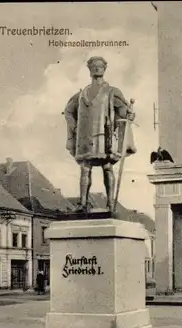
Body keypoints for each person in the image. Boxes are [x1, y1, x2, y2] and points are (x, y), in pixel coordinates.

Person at [64, 56, 136, 213]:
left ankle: (110, 203)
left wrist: (128, 115)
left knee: (107, 167)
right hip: (85, 137)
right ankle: (83, 204)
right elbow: (68, 111)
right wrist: (75, 128)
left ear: (105, 69)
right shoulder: (81, 94)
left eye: (100, 66)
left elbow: (122, 111)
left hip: (105, 137)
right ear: (89, 70)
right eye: (94, 66)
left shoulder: (111, 92)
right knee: (85, 168)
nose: (97, 68)